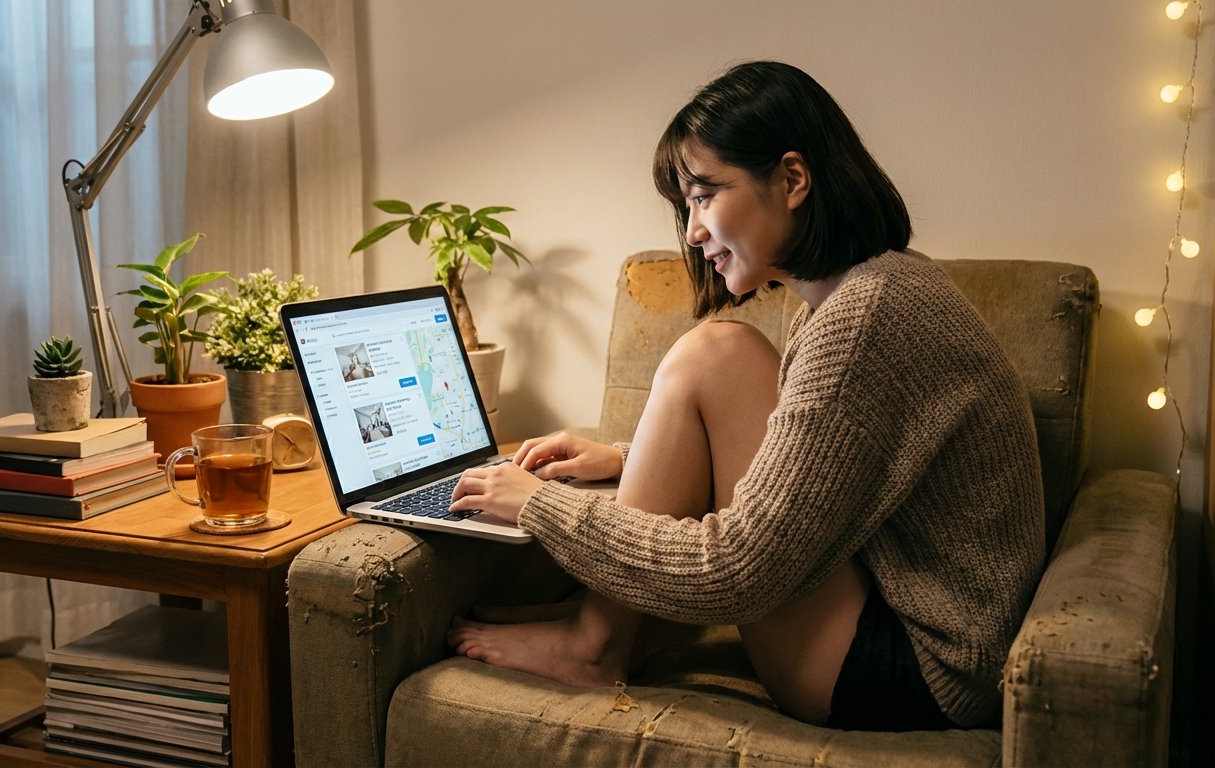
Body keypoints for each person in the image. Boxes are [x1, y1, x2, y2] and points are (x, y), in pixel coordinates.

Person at [447, 60, 1043, 732]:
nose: (693, 231)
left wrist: (540, 504)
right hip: (904, 611)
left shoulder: (865, 319)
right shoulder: (864, 292)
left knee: (715, 354)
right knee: (725, 352)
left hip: (923, 668)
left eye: (705, 196)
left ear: (792, 180)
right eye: (687, 206)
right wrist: (630, 459)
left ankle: (595, 643)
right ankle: (603, 627)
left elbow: (737, 570)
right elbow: (818, 474)